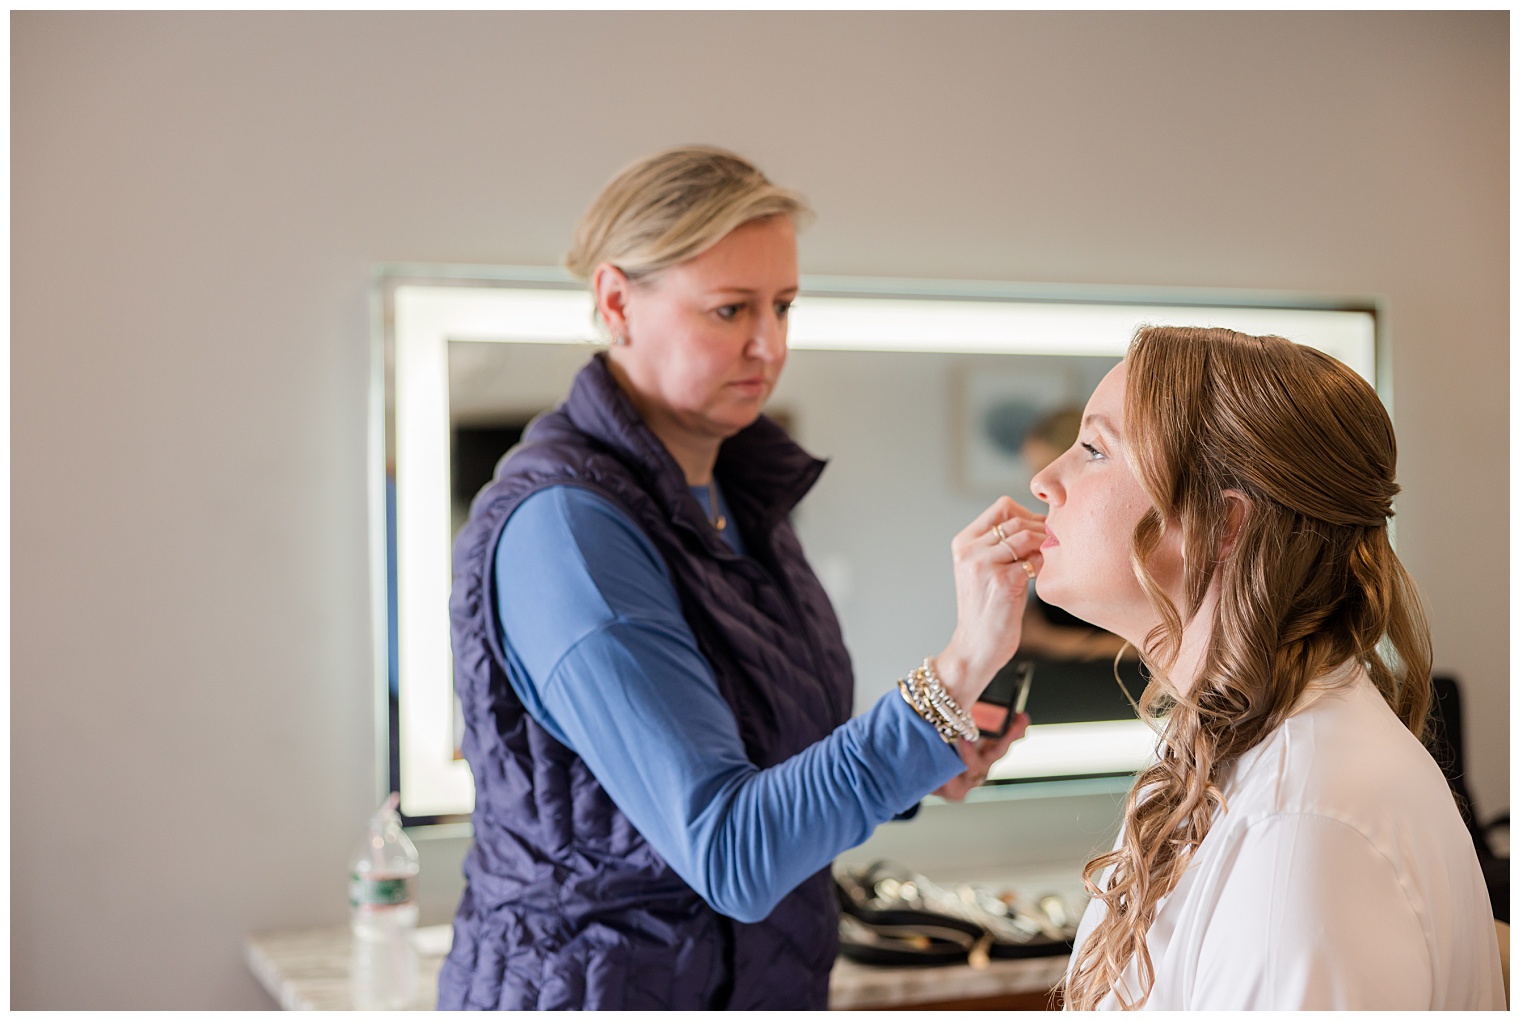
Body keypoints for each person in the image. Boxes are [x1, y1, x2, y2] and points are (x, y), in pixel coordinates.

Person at [437, 146, 1047, 1010]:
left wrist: (928, 755)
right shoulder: (567, 534)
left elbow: (775, 770)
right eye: (730, 310)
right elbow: (733, 851)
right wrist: (950, 675)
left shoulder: (738, 495)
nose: (770, 345)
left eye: (784, 306)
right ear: (617, 302)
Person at [1033, 326, 1504, 1010]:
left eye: (1094, 449)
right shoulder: (1241, 764)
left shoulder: (1302, 830)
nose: (1044, 481)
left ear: (1223, 525)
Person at [1017, 405, 1132, 662]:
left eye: (1047, 466)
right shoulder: (1052, 539)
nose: (1038, 485)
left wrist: (1053, 642)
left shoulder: (1114, 545)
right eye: (1033, 471)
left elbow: (1149, 649)